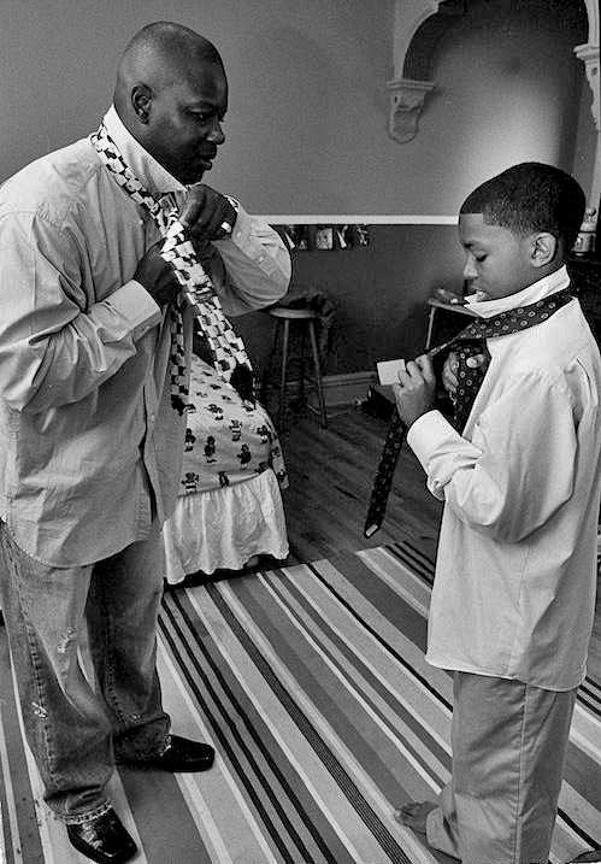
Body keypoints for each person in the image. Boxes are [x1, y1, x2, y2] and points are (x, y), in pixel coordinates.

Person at [0, 20, 290, 864]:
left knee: (130, 625)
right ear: (141, 103)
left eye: (219, 116)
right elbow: (26, 373)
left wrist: (228, 221)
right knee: (54, 655)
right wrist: (137, 299)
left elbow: (270, 285)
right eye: (202, 115)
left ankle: (139, 734)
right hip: (57, 480)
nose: (219, 133)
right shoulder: (43, 205)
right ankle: (78, 790)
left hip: (143, 466)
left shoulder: (181, 196)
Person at [391, 163, 601, 863]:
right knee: (480, 744)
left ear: (539, 250)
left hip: (518, 622)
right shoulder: (525, 328)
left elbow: (499, 507)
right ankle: (460, 824)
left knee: (506, 776)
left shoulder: (544, 364)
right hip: (492, 605)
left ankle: (489, 842)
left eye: (479, 253)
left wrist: (423, 423)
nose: (467, 268)